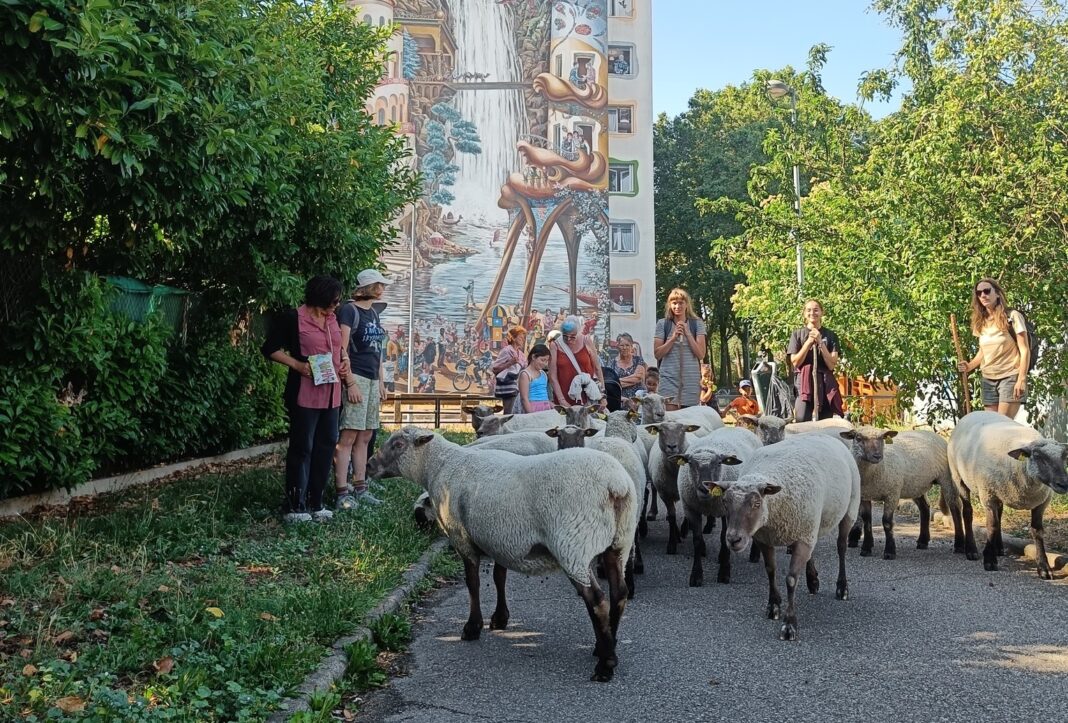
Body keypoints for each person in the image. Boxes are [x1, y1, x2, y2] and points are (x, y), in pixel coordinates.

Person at [262, 276, 347, 523]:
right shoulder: (293, 318)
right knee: (302, 447)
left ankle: (316, 502)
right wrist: (297, 365)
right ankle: (295, 505)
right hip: (304, 393)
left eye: (337, 302)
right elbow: (269, 349)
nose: (335, 306)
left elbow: (340, 350)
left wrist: (344, 367)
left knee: (327, 445)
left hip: (332, 394)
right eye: (332, 301)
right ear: (317, 298)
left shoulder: (334, 318)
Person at [333, 269, 391, 510]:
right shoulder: (349, 310)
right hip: (355, 375)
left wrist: (380, 381)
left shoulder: (374, 314)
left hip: (370, 377)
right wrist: (350, 382)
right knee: (348, 435)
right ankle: (341, 490)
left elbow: (377, 349)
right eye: (380, 284)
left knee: (366, 434)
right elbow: (341, 349)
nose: (383, 288)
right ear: (371, 287)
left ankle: (360, 486)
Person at [957, 277, 1031, 418]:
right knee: (990, 427)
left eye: (986, 291)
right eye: (979, 293)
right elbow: (983, 352)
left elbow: (1024, 349)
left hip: (1010, 376)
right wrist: (969, 366)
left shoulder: (1012, 317)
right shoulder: (980, 322)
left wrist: (1021, 379)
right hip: (988, 379)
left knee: (1002, 425)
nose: (983, 295)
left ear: (997, 294)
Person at [786, 299, 844, 422]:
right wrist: (808, 343)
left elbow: (831, 364)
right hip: (803, 383)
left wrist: (820, 342)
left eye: (816, 310)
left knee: (825, 423)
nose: (812, 313)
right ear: (804, 314)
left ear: (822, 312)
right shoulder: (797, 334)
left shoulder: (831, 335)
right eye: (809, 310)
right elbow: (795, 362)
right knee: (801, 420)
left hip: (824, 383)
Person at [653, 288, 707, 409]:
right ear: (670, 305)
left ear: (687, 304)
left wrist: (687, 333)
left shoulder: (697, 323)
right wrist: (673, 338)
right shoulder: (663, 324)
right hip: (668, 378)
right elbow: (657, 354)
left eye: (681, 303)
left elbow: (701, 354)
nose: (677, 306)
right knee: (671, 421)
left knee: (689, 421)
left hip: (691, 380)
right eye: (674, 303)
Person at [550, 315, 607, 409]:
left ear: (579, 332)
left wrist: (603, 395)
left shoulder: (586, 340)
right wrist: (561, 400)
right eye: (565, 336)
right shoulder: (555, 345)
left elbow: (597, 368)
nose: (568, 340)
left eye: (572, 337)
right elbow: (553, 376)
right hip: (564, 395)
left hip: (587, 394)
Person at [492, 326, 528, 414]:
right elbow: (494, 369)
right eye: (520, 337)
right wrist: (510, 363)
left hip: (519, 388)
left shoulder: (521, 354)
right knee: (509, 413)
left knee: (517, 412)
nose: (523, 339)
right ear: (513, 337)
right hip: (509, 388)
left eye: (523, 338)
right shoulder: (506, 351)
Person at [610, 333, 646, 400]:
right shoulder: (612, 363)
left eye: (627, 345)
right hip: (620, 399)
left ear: (631, 346)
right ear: (617, 346)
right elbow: (611, 384)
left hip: (637, 399)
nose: (624, 348)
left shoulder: (638, 360)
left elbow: (638, 377)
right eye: (622, 345)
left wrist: (617, 382)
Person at [519, 343, 553, 413]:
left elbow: (544, 395)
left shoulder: (543, 374)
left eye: (546, 361)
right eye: (542, 360)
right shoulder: (525, 374)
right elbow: (524, 398)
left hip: (546, 408)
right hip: (532, 408)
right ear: (533, 357)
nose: (545, 364)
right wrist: (531, 415)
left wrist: (553, 406)